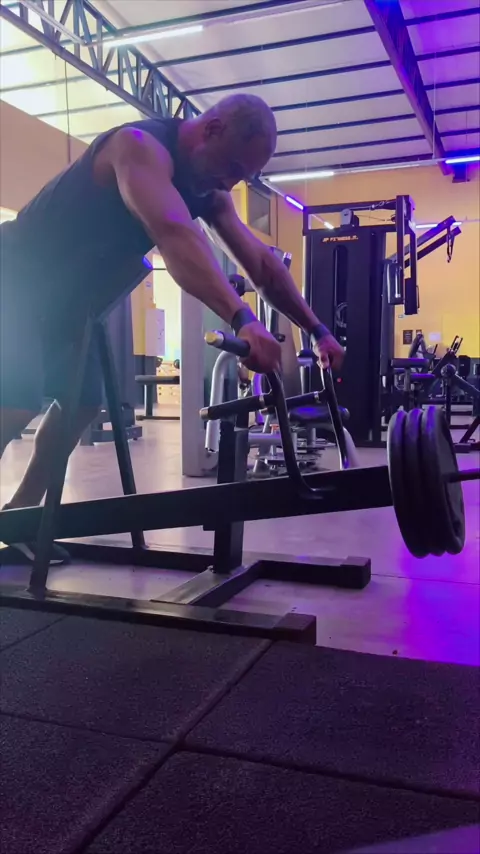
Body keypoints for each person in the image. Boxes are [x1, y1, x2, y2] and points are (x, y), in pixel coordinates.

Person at [0, 93, 344, 564]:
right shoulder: (137, 147)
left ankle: (18, 517)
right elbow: (174, 234)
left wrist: (317, 329)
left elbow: (262, 265)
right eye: (231, 168)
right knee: (14, 401)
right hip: (16, 277)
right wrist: (242, 319)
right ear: (211, 129)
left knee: (82, 404)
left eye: (240, 177)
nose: (228, 183)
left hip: (70, 301)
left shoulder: (210, 190)